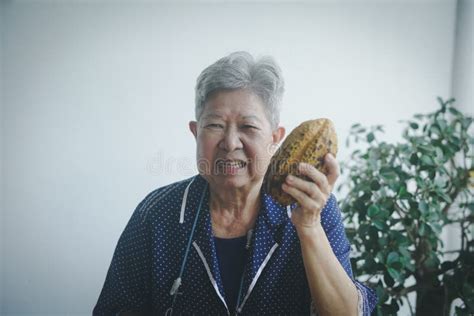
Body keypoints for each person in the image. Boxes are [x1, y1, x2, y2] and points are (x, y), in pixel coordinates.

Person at [93, 51, 377, 315]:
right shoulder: (156, 213)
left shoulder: (312, 208)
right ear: (195, 132)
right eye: (215, 125)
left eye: (248, 127)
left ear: (275, 138)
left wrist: (309, 227)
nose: (230, 143)